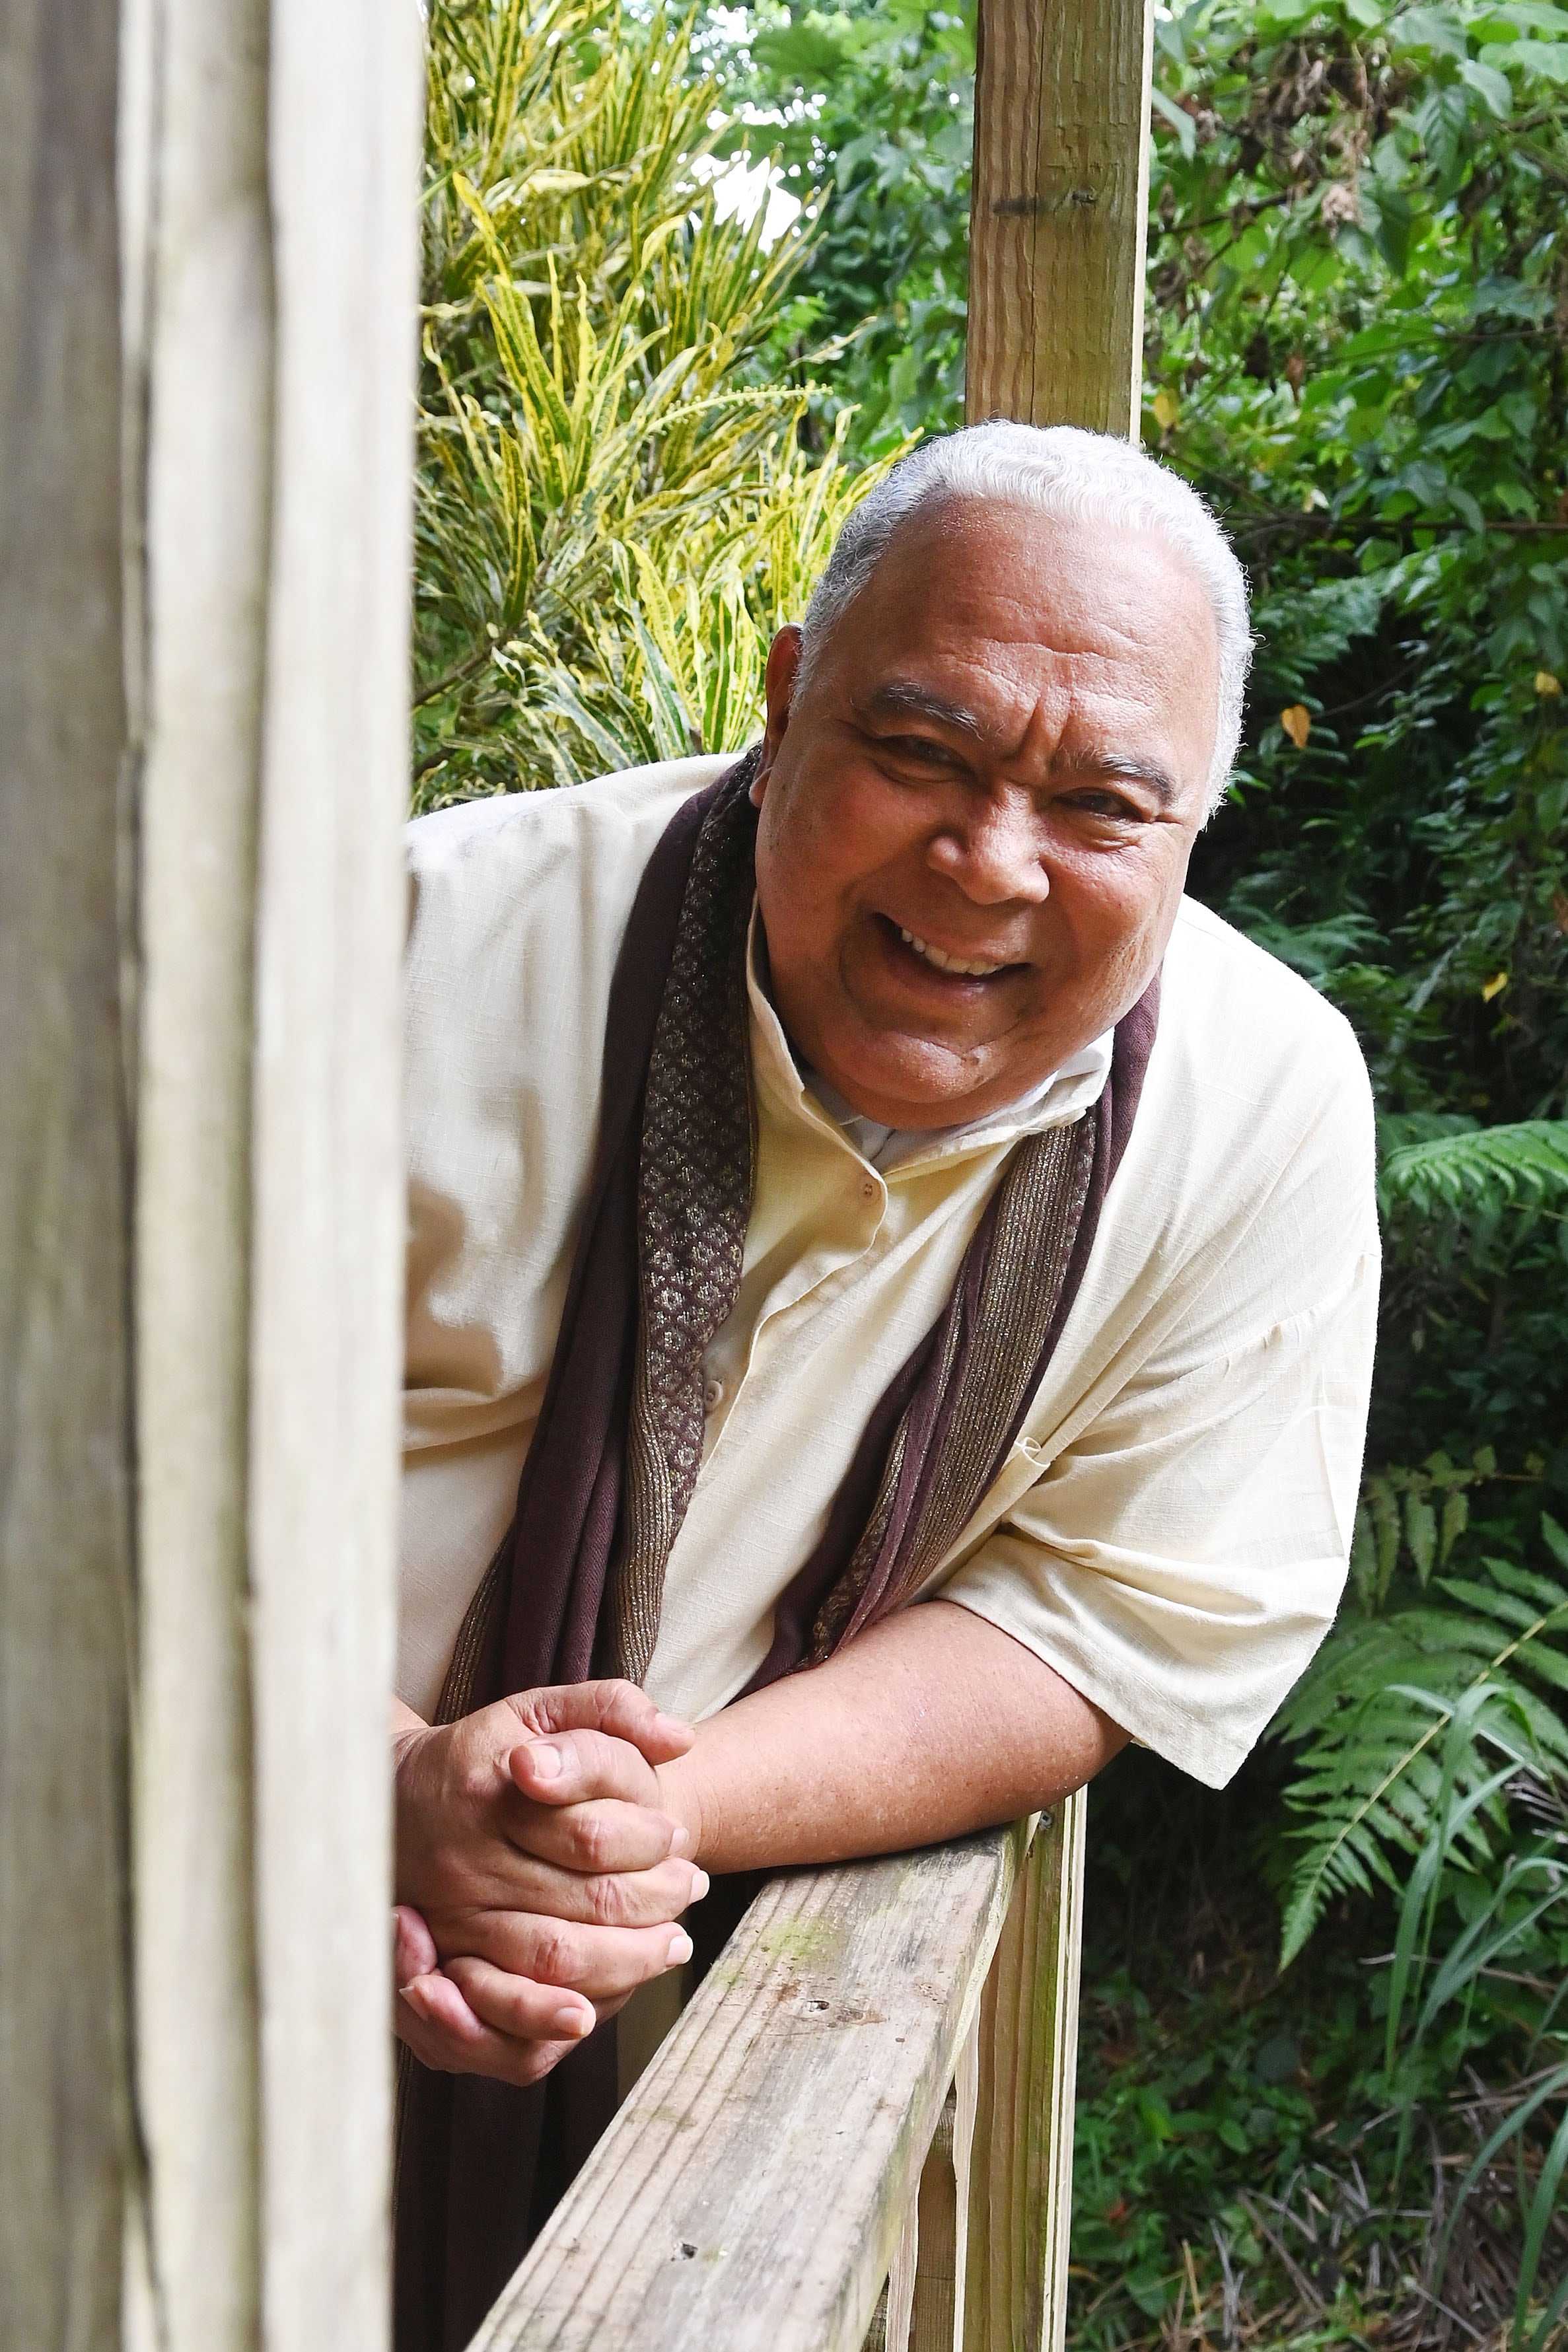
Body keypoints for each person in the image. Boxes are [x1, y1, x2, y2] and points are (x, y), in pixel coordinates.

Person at [389, 422, 1379, 2349]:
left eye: (1102, 805)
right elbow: (80, 1484)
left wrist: (636, 1821)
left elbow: (1097, 1615)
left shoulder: (1256, 1112)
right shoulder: (411, 948)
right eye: (921, 751)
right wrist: (365, 1788)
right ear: (785, 699)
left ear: (1201, 822)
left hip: (639, 2012)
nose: (990, 862)